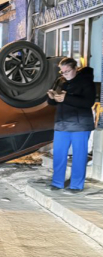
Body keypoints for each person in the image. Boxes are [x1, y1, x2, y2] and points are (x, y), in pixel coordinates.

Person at [47, 57, 96, 194]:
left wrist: (66, 98)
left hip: (80, 125)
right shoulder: (61, 82)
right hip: (61, 124)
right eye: (62, 72)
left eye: (67, 71)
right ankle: (57, 182)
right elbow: (54, 103)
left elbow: (88, 102)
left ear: (75, 69)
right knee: (58, 154)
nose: (64, 74)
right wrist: (51, 97)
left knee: (79, 156)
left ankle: (76, 185)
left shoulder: (86, 82)